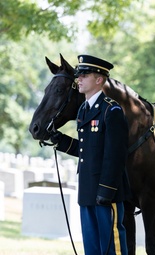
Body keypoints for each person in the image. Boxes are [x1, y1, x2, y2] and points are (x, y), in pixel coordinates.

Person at [50, 54, 130, 255]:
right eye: (79, 75)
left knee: (112, 247)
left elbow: (116, 155)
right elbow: (87, 150)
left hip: (106, 191)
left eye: (84, 75)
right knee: (92, 248)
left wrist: (106, 189)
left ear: (99, 79)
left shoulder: (111, 110)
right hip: (87, 190)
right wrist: (59, 140)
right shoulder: (83, 110)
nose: (79, 79)